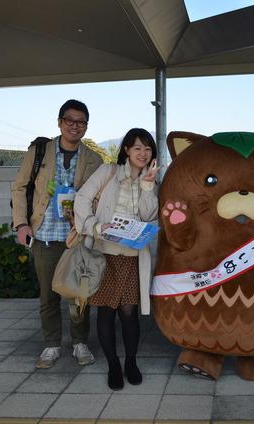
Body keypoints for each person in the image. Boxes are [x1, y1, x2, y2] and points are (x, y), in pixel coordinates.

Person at [11, 99, 103, 369]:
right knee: (48, 295)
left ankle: (79, 342)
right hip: (45, 234)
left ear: (86, 126)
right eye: (70, 120)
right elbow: (19, 187)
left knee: (79, 294)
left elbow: (98, 197)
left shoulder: (93, 159)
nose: (75, 126)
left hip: (76, 236)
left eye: (81, 122)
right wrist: (21, 224)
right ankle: (51, 345)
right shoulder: (39, 152)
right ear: (60, 122)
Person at [74, 128, 159, 390]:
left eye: (147, 149)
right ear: (126, 150)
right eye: (137, 148)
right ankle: (113, 364)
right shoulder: (108, 172)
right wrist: (95, 227)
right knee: (106, 312)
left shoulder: (151, 179)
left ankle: (130, 361)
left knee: (130, 312)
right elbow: (82, 199)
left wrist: (147, 188)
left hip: (132, 255)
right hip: (104, 253)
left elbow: (149, 216)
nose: (143, 153)